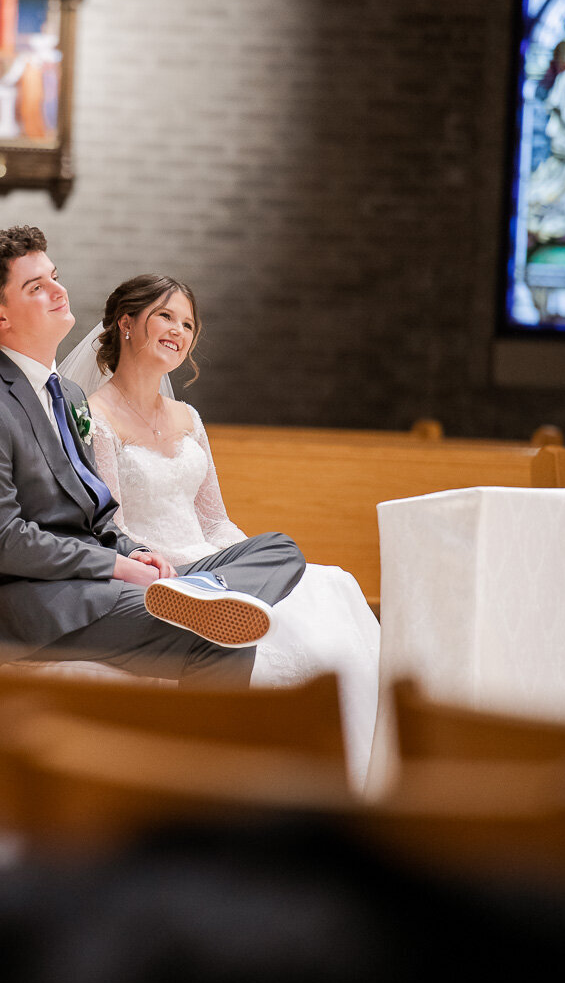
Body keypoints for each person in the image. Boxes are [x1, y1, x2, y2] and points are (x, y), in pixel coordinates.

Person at [0, 226, 306, 688]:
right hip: (35, 610)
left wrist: (137, 553)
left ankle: (205, 592)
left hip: (95, 585)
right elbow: (2, 541)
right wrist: (114, 566)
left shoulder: (66, 395)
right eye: (36, 286)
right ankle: (200, 755)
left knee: (280, 549)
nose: (58, 290)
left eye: (54, 275)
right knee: (218, 633)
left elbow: (96, 512)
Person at [58, 274, 381, 786]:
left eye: (188, 324)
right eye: (166, 316)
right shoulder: (94, 417)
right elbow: (111, 524)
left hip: (210, 570)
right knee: (292, 602)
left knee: (295, 559)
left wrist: (244, 563)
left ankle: (223, 593)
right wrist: (165, 567)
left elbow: (214, 519)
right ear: (126, 323)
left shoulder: (189, 416)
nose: (179, 331)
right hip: (159, 568)